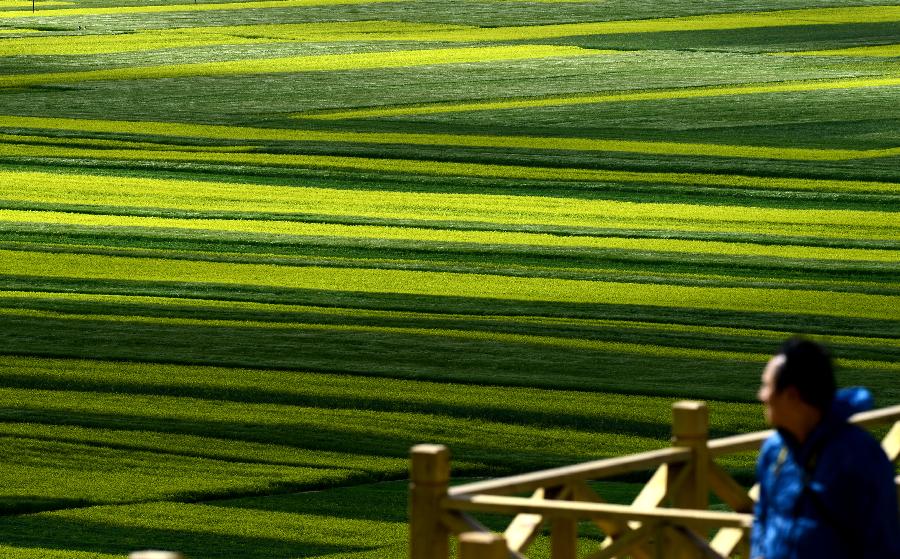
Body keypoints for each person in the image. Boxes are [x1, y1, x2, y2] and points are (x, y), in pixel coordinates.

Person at [751, 338, 900, 559]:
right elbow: (762, 519)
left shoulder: (859, 456)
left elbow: (881, 544)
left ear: (792, 395)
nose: (761, 396)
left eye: (767, 386)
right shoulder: (774, 451)